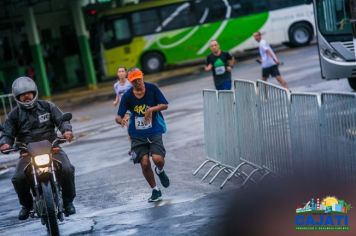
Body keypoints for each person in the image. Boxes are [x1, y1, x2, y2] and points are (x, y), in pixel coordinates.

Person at [0, 77, 76, 220]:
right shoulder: (14, 115)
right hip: (27, 152)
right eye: (22, 94)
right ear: (17, 97)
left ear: (34, 93)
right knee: (18, 178)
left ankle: (68, 202)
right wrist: (5, 143)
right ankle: (26, 206)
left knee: (67, 169)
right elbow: (7, 132)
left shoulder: (47, 106)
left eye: (29, 93)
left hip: (52, 148)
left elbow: (62, 120)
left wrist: (66, 131)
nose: (26, 96)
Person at [115, 68, 170, 202]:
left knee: (158, 159)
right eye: (134, 80)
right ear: (130, 81)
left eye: (139, 79)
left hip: (154, 130)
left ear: (142, 76)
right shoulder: (128, 95)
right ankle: (155, 190)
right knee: (144, 163)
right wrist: (120, 120)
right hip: (136, 134)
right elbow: (118, 115)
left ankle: (160, 170)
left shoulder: (152, 88)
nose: (138, 82)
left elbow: (165, 105)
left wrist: (151, 109)